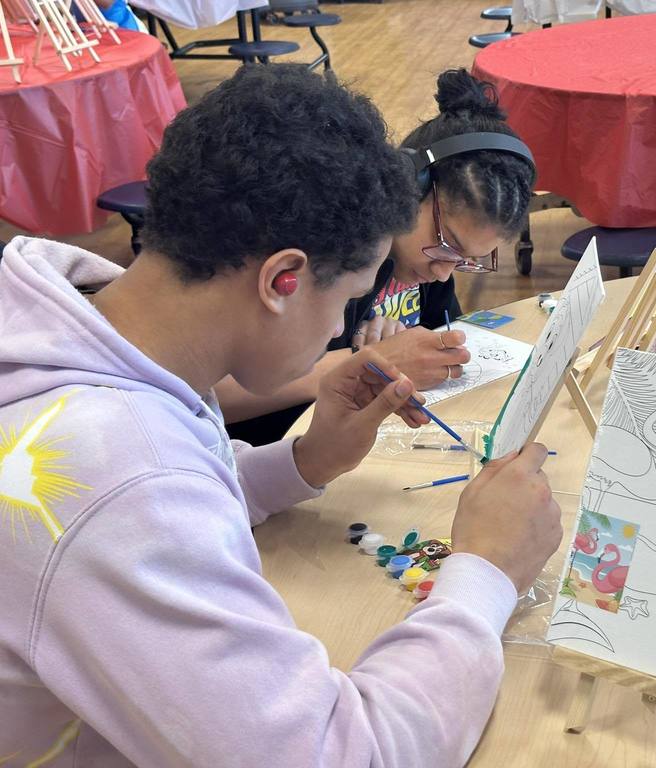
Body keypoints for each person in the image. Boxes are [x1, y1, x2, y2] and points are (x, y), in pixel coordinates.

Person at [0, 65, 561, 767]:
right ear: (282, 280)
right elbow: (336, 753)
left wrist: (302, 463)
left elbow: (177, 474)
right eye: (346, 299)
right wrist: (485, 572)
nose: (339, 331)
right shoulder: (115, 481)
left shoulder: (80, 324)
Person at [221, 68, 537, 446]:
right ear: (408, 185)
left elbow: (438, 343)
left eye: (466, 259)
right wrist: (362, 362)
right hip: (262, 454)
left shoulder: (431, 266)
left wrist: (397, 353)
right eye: (447, 242)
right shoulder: (332, 256)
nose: (442, 273)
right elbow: (215, 393)